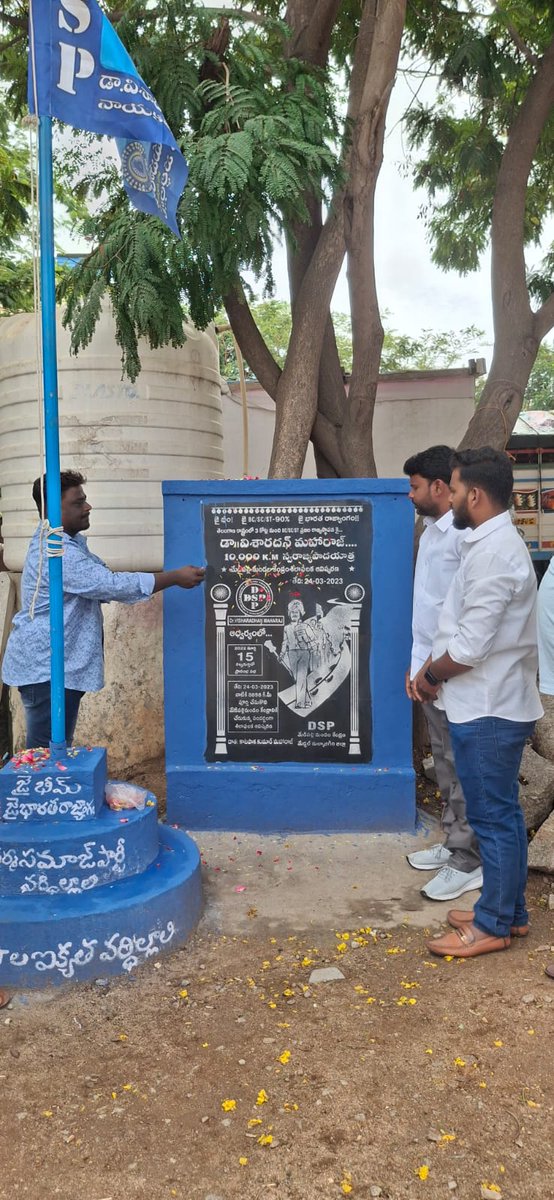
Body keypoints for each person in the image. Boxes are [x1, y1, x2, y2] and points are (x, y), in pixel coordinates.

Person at [412, 447, 542, 959]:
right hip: (488, 704)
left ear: (476, 495)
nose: (452, 496)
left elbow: (469, 646)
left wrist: (429, 675)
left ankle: (491, 924)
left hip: (487, 708)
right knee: (501, 815)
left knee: (491, 818)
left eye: (458, 488)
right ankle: (508, 911)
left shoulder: (492, 552)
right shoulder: (488, 542)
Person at [2, 471, 205, 748]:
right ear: (52, 509)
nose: (88, 507)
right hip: (46, 668)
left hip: (55, 666)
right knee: (45, 755)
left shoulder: (68, 544)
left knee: (55, 747)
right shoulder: (56, 553)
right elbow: (108, 584)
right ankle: (40, 793)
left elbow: (100, 578)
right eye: (78, 502)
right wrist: (173, 578)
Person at [403, 446, 482, 901]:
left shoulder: (463, 535)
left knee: (461, 765)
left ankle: (470, 860)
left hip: (454, 673)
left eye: (415, 487)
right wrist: (416, 670)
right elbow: (426, 612)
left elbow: (465, 615)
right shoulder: (433, 532)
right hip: (430, 670)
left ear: (438, 486)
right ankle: (454, 845)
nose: (410, 496)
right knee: (445, 762)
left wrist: (435, 670)